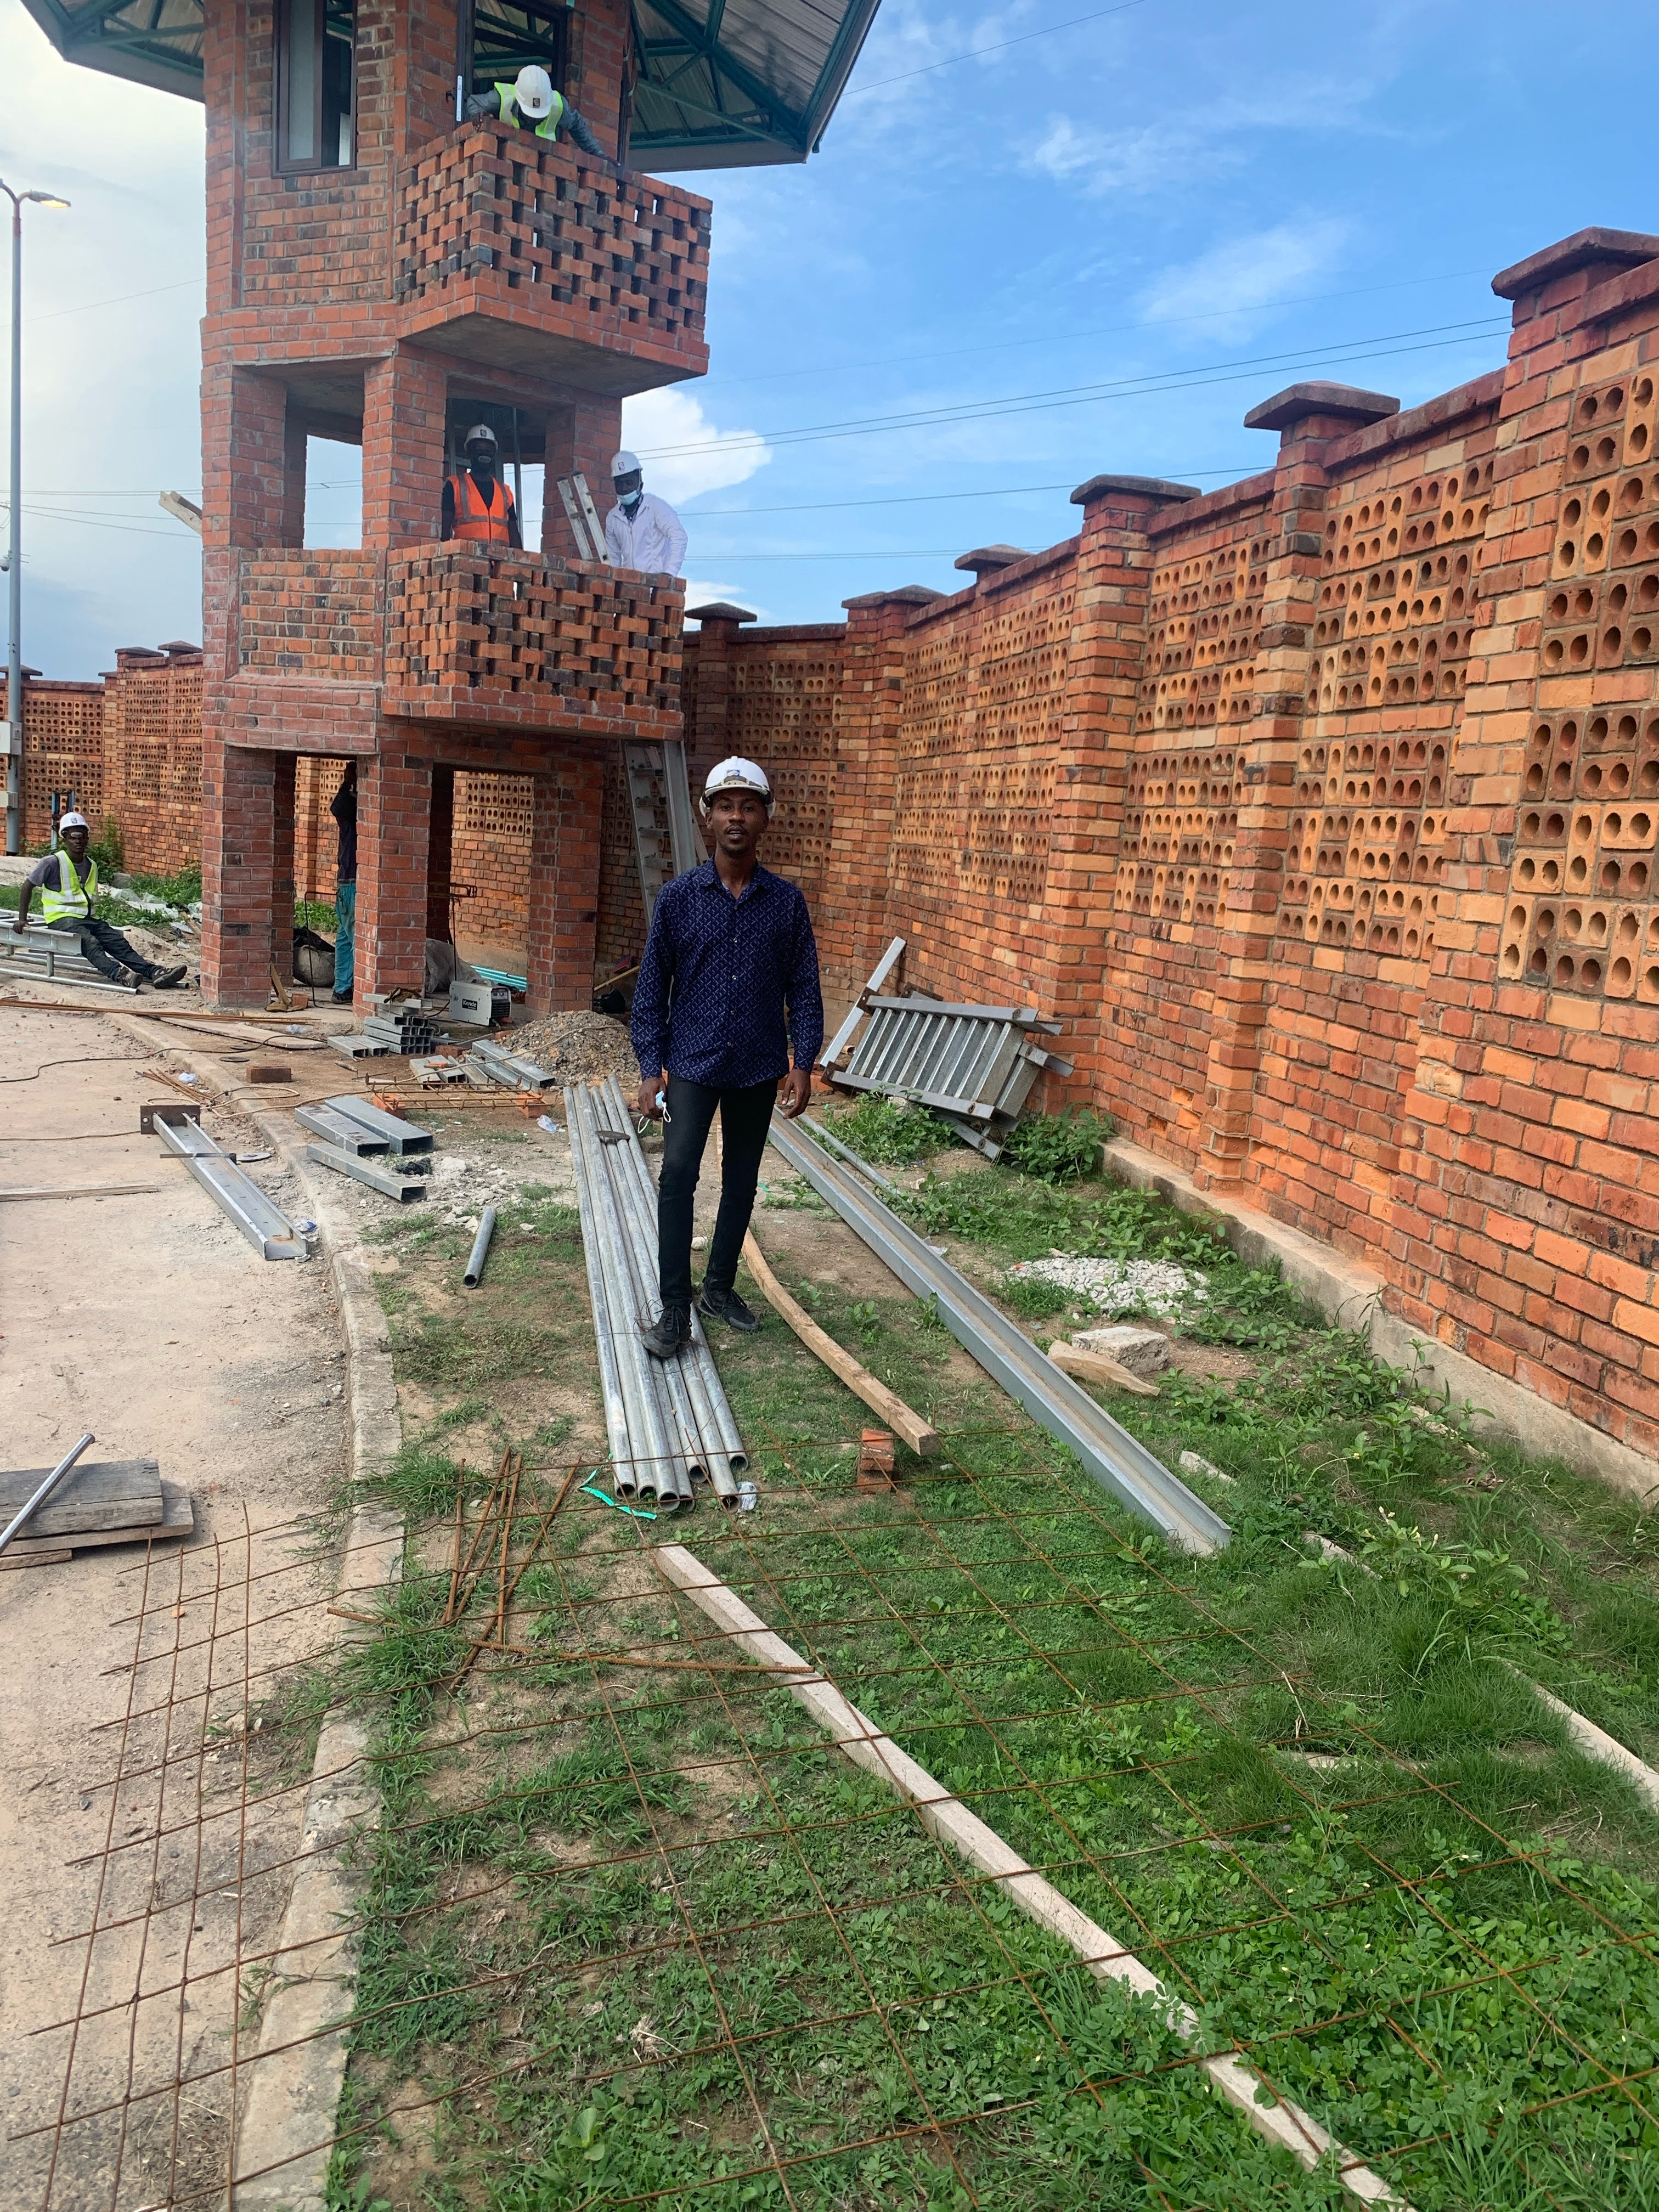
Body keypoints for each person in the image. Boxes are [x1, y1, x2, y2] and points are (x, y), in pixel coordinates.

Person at [631, 757, 822, 1355]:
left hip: (759, 1065)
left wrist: (803, 1061)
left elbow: (805, 989)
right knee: (678, 1177)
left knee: (741, 1182)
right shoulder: (677, 900)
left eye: (748, 806)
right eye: (725, 806)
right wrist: (648, 1067)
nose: (736, 817)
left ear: (766, 817)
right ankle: (674, 1309)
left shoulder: (785, 904)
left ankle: (719, 1288)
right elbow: (650, 991)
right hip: (692, 1062)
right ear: (706, 817)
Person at [10, 812, 187, 989]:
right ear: (65, 838)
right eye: (73, 836)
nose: (78, 841)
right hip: (61, 918)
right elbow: (28, 886)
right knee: (90, 943)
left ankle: (154, 972)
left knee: (117, 941)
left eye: (82, 836)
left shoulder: (91, 865)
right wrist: (22, 919)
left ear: (88, 838)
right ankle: (119, 974)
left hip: (87, 919)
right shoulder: (52, 862)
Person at [463, 64, 604, 156]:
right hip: (506, 159)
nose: (535, 119)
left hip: (540, 169)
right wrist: (476, 113)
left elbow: (576, 124)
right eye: (530, 114)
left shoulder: (558, 106)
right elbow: (474, 101)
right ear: (519, 101)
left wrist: (598, 154)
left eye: (539, 115)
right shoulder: (501, 97)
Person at [603, 450, 687, 576]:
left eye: (629, 483)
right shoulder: (613, 517)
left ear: (640, 484)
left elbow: (679, 535)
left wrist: (670, 573)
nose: (624, 488)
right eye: (619, 483)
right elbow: (613, 557)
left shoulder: (655, 506)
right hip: (628, 588)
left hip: (656, 588)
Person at [441, 424, 523, 547]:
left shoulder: (505, 492)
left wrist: (520, 563)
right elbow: (444, 529)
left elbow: (513, 531)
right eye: (479, 450)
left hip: (499, 563)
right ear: (469, 452)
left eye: (488, 451)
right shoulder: (455, 486)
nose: (484, 454)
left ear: (494, 454)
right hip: (468, 562)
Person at [330, 762, 357, 1006]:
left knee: (346, 939)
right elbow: (338, 807)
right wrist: (348, 783)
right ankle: (351, 988)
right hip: (352, 884)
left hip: (347, 883)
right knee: (357, 939)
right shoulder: (353, 810)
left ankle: (342, 988)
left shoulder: (355, 808)